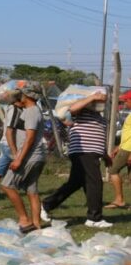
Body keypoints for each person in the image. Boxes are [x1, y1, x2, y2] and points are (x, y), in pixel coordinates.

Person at [41, 90, 111, 228]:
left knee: (75, 183)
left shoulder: (98, 116)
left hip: (92, 152)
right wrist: (92, 96)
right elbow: (71, 109)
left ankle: (46, 205)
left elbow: (98, 137)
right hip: (83, 151)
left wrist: (105, 155)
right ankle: (94, 218)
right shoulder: (81, 110)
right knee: (95, 183)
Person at [0, 84, 47, 233]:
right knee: (32, 191)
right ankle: (37, 225)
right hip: (36, 156)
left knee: (7, 185)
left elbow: (30, 138)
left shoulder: (32, 112)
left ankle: (24, 220)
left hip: (29, 157)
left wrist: (19, 158)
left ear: (27, 96)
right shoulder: (32, 110)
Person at [106, 90, 131, 209]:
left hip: (128, 149)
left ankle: (119, 199)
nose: (125, 102)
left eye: (126, 100)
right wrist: (118, 147)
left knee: (113, 170)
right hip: (125, 147)